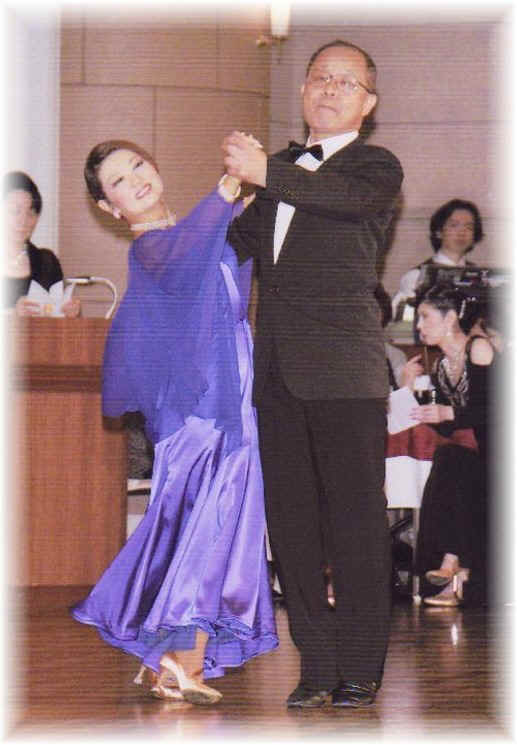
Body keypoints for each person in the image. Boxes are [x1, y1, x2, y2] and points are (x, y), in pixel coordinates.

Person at [222, 40, 404, 708]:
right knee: (292, 528)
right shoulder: (280, 174)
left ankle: (360, 665)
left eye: (346, 82)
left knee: (356, 525)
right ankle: (317, 664)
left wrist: (264, 172)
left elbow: (340, 201)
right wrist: (179, 223)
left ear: (368, 103)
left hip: (345, 375)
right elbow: (228, 248)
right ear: (301, 90)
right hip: (276, 375)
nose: (329, 88)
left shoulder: (373, 167)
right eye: (320, 77)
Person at [71, 140, 278, 705]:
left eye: (137, 165)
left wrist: (262, 184)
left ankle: (168, 656)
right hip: (198, 406)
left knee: (202, 523)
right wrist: (227, 189)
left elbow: (231, 263)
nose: (135, 180)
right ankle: (181, 657)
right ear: (109, 207)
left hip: (231, 388)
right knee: (211, 521)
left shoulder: (198, 230)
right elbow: (185, 257)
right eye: (118, 181)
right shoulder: (152, 248)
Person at [409, 284, 496, 607]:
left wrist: (450, 413)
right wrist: (411, 392)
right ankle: (451, 566)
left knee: (451, 462)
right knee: (449, 460)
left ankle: (449, 567)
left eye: (425, 317)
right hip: (472, 456)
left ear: (449, 320)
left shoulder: (479, 349)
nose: (419, 326)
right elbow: (448, 424)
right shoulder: (441, 367)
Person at [3, 171, 81, 317]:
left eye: (31, 212)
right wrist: (11, 314)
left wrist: (70, 313)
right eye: (15, 211)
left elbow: (55, 316)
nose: (24, 220)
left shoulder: (46, 261)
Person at [391, 199, 484, 319]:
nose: (462, 232)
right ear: (439, 232)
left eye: (469, 227)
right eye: (454, 225)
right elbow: (404, 320)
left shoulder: (479, 276)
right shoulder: (417, 276)